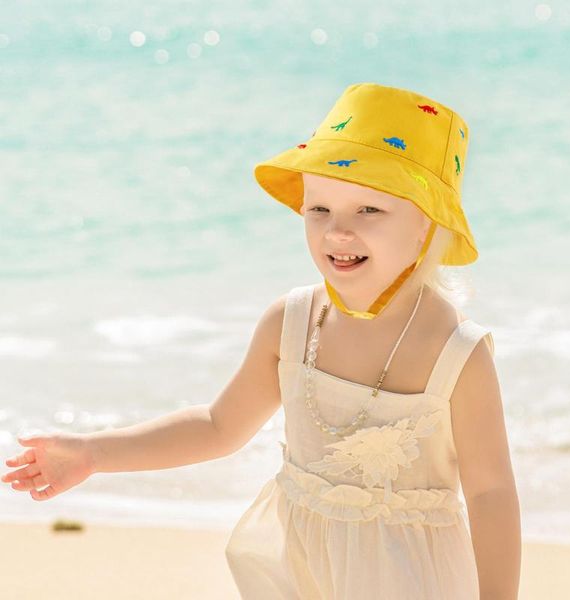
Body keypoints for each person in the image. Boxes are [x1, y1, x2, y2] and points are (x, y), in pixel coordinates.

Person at [1, 83, 521, 599]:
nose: (337, 232)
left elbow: (490, 491)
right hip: (298, 569)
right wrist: (93, 453)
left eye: (369, 211)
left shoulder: (456, 353)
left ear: (428, 227)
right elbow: (218, 426)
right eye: (319, 210)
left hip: (411, 579)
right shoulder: (292, 323)